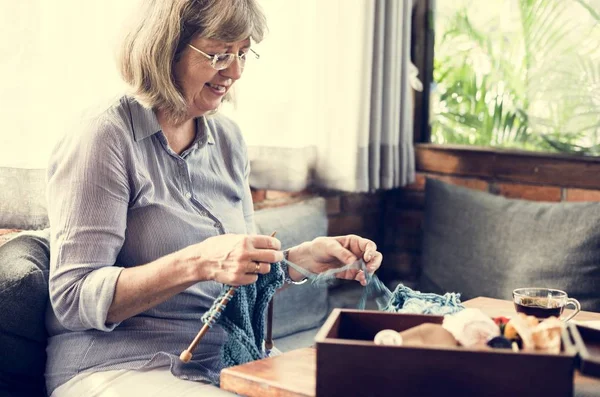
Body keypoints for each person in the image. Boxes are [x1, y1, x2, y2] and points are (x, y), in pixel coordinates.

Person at [45, 0, 383, 396]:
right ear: (164, 49)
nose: (235, 72)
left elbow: (236, 281)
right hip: (119, 366)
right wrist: (197, 262)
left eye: (243, 53)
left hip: (219, 366)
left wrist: (300, 261)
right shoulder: (104, 137)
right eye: (220, 54)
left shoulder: (227, 140)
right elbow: (72, 297)